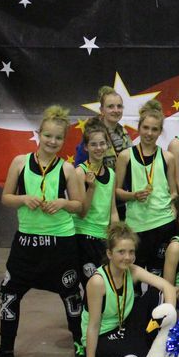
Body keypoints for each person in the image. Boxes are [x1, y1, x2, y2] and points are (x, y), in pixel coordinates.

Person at [0, 106, 85, 357]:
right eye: (48, 135)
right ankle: (5, 350)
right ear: (39, 134)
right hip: (26, 243)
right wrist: (24, 198)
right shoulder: (20, 162)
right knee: (8, 293)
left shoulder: (67, 169)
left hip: (60, 243)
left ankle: (81, 346)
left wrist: (62, 203)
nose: (52, 141)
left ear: (64, 140)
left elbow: (80, 205)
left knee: (71, 295)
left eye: (58, 137)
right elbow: (6, 198)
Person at [62, 222, 177, 357]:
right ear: (109, 254)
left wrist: (170, 318)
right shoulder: (97, 282)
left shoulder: (133, 270)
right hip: (103, 335)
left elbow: (168, 287)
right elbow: (93, 326)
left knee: (157, 293)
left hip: (125, 325)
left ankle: (158, 342)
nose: (127, 257)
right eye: (121, 252)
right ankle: (116, 353)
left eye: (131, 252)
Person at [115, 100, 177, 277]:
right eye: (146, 128)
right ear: (139, 128)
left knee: (159, 275)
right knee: (134, 276)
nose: (149, 133)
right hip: (136, 225)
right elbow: (117, 192)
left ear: (160, 131)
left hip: (163, 223)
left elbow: (173, 191)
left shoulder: (168, 157)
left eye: (154, 129)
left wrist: (173, 209)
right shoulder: (125, 156)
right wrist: (133, 195)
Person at [73, 117, 119, 283]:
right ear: (86, 147)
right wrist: (91, 188)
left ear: (107, 145)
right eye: (93, 144)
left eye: (102, 144)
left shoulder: (111, 174)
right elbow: (81, 212)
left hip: (103, 238)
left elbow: (112, 210)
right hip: (84, 236)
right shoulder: (80, 172)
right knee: (92, 285)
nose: (98, 148)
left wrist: (116, 235)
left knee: (107, 285)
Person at [75, 86, 132, 171]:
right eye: (111, 106)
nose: (116, 110)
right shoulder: (92, 133)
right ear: (102, 110)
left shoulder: (124, 133)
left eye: (119, 106)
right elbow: (79, 166)